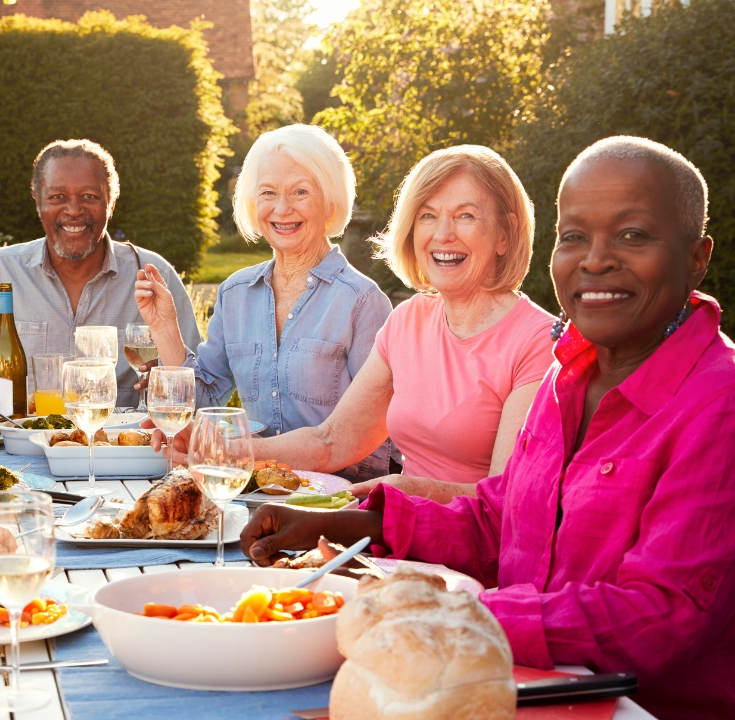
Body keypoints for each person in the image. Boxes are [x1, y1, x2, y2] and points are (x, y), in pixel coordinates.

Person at [240, 137, 734, 720]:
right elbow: (502, 518)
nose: (595, 259)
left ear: (697, 256)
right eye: (574, 236)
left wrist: (451, 616)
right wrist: (359, 524)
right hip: (506, 679)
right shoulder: (569, 375)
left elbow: (659, 616)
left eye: (632, 235)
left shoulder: (717, 403)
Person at [156, 145, 555, 501]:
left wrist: (412, 492)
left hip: (474, 560)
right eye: (428, 216)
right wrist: (215, 446)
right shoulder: (409, 320)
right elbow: (332, 441)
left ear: (506, 233)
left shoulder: (538, 341)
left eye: (465, 215)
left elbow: (510, 501)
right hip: (395, 537)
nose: (442, 234)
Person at [134, 124, 392, 479]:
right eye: (268, 193)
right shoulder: (235, 293)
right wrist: (164, 327)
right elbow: (205, 402)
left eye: (300, 192)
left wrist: (233, 452)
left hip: (332, 499)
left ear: (330, 199)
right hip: (248, 489)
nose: (282, 209)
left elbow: (373, 447)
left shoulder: (363, 302)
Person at [0, 139, 203, 410]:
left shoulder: (153, 276)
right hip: (15, 449)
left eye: (89, 197)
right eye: (57, 197)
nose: (74, 210)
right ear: (38, 202)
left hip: (117, 449)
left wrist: (168, 382)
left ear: (111, 204)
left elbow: (200, 385)